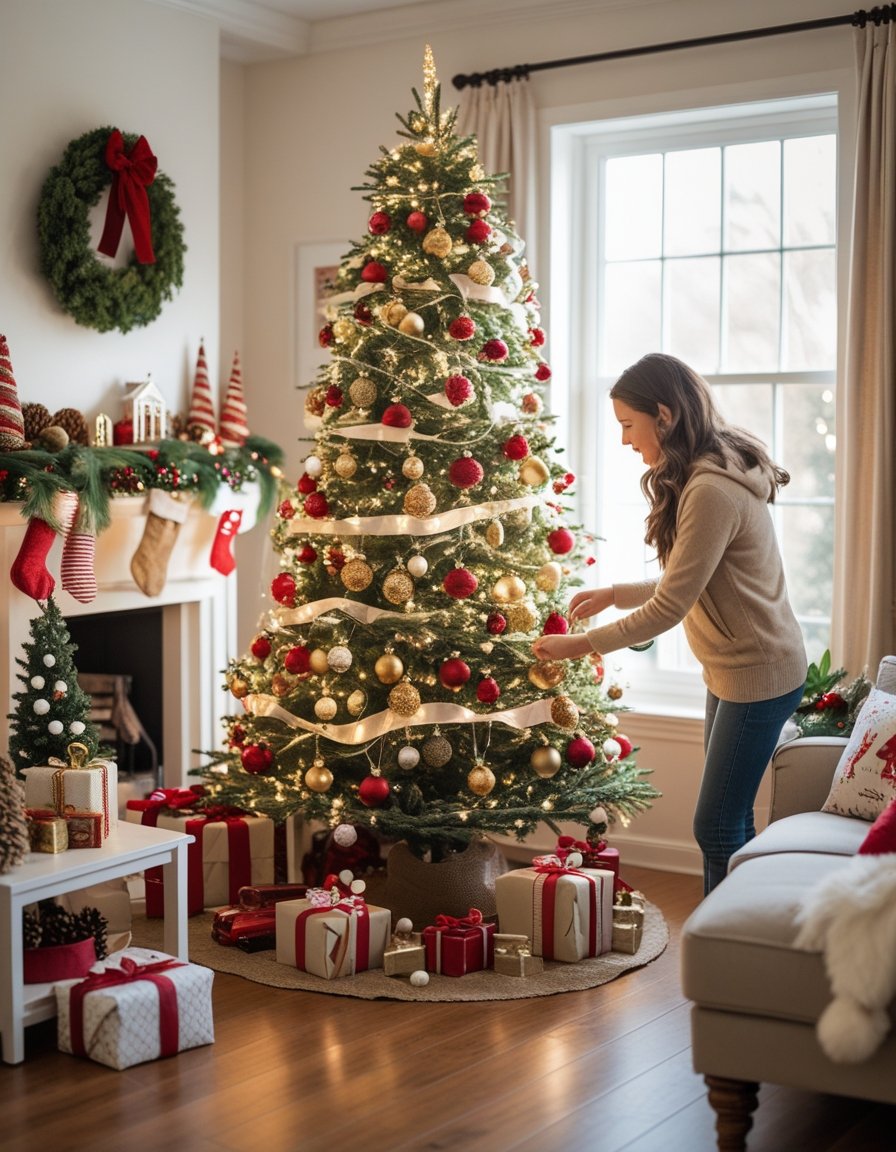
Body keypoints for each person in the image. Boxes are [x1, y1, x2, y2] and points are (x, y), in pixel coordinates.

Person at [533, 352, 807, 894]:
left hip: (760, 673)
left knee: (716, 824)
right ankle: (728, 934)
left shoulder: (711, 489)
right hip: (732, 669)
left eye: (627, 425)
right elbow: (690, 578)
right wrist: (615, 593)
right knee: (728, 822)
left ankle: (726, 947)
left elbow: (671, 606)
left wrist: (581, 645)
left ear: (665, 414)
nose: (624, 440)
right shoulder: (708, 471)